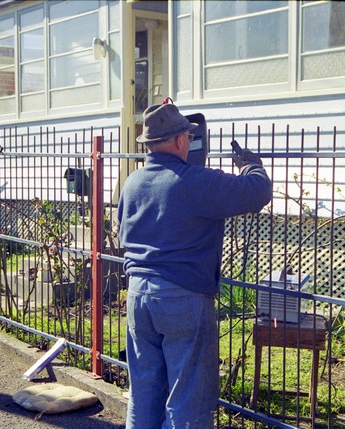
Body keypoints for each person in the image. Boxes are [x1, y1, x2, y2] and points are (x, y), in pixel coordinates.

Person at [117, 98, 272, 429]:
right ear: (177, 140)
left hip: (137, 296)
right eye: (187, 136)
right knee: (187, 396)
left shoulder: (132, 183)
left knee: (144, 392)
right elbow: (257, 191)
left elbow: (123, 236)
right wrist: (251, 165)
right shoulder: (193, 180)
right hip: (181, 297)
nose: (189, 142)